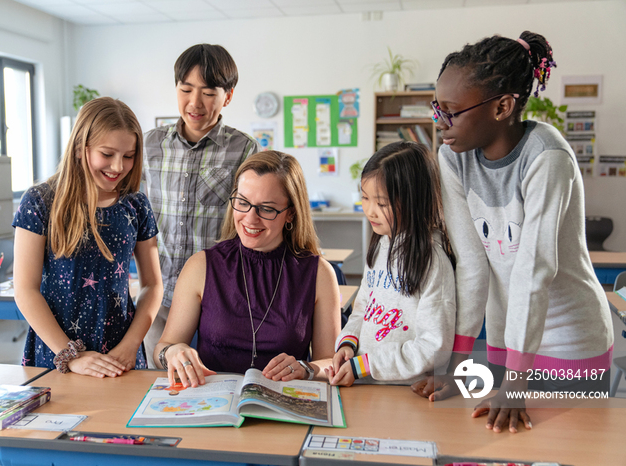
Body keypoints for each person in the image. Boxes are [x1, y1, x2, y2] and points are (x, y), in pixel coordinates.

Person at [411, 31, 614, 433]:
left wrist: (515, 384)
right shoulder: (453, 159)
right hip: (509, 342)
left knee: (560, 453)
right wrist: (458, 366)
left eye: (451, 111)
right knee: (497, 446)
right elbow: (472, 266)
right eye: (438, 109)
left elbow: (533, 271)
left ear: (502, 106)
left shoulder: (546, 157)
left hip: (572, 344)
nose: (440, 123)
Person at [153, 150, 341, 387]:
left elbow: (331, 363)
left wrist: (307, 368)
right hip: (211, 402)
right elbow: (163, 348)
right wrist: (172, 353)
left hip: (284, 405)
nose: (250, 219)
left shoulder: (319, 274)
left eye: (267, 208)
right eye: (243, 203)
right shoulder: (201, 266)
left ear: (291, 213)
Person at [13, 97, 163, 378]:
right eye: (107, 154)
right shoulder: (40, 201)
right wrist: (70, 355)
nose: (118, 166)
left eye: (128, 156)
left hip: (121, 356)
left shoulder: (137, 205)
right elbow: (25, 290)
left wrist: (131, 345)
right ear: (81, 148)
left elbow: (153, 285)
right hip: (56, 354)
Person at [142, 44, 258, 367]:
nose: (195, 102)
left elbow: (248, 220)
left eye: (208, 92)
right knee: (160, 380)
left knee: (212, 379)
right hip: (159, 293)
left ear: (228, 96)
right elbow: (136, 214)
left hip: (217, 295)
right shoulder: (150, 144)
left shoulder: (243, 148)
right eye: (186, 89)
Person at [325, 142, 456, 387]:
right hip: (366, 381)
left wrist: (364, 365)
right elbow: (362, 308)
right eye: (365, 198)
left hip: (406, 390)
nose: (370, 211)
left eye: (382, 204)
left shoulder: (432, 261)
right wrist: (347, 342)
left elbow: (433, 346)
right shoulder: (381, 245)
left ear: (414, 201)